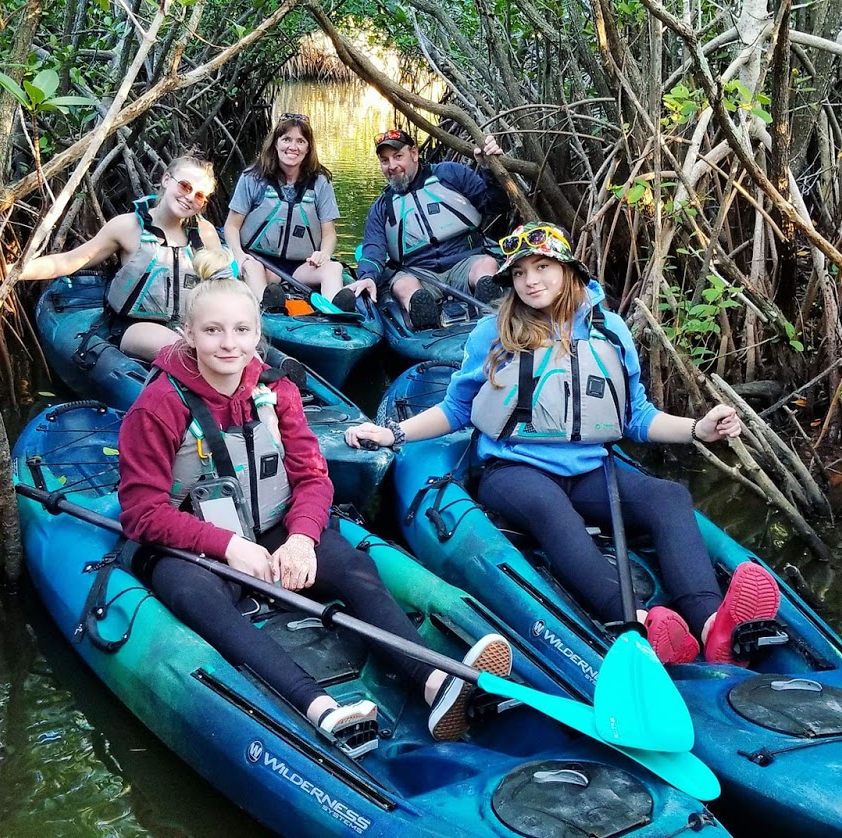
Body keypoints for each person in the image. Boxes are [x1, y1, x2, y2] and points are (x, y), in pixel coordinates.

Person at [345, 223, 781, 666]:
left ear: (568, 270)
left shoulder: (610, 331)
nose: (529, 281)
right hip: (513, 471)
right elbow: (456, 409)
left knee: (669, 496)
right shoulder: (492, 333)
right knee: (550, 508)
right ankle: (638, 622)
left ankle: (711, 624)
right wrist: (393, 434)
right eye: (519, 273)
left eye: (542, 267)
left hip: (589, 471)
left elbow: (636, 418)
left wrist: (698, 429)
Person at [119, 277, 513, 755]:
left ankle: (432, 679)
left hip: (275, 528)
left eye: (241, 330)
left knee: (351, 565)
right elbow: (141, 514)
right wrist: (230, 546)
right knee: (195, 595)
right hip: (196, 545)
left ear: (257, 332)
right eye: (213, 330)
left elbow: (312, 478)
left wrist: (302, 538)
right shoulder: (158, 405)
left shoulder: (277, 388)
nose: (228, 344)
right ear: (189, 333)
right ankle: (318, 706)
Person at [19, 155, 224, 361]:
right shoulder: (127, 226)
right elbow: (67, 262)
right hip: (133, 327)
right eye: (185, 186)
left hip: (187, 328)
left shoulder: (205, 233)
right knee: (187, 352)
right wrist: (12, 271)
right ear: (166, 179)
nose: (190, 197)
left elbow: (224, 287)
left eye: (199, 196)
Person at [345, 129, 507, 331]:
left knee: (487, 265)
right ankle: (427, 328)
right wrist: (368, 277)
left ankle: (492, 325)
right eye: (385, 161)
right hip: (417, 272)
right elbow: (372, 250)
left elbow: (496, 204)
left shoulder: (450, 174)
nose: (392, 166)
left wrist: (489, 169)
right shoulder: (381, 207)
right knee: (403, 286)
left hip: (466, 260)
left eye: (398, 156)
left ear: (414, 153)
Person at [224, 113, 352, 313]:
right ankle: (270, 311)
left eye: (300, 141)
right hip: (262, 264)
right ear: (275, 143)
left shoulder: (320, 182)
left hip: (303, 267)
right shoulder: (252, 178)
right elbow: (232, 226)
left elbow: (329, 234)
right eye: (286, 139)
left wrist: (324, 254)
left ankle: (334, 316)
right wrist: (239, 256)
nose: (293, 147)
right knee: (250, 267)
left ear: (308, 148)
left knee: (334, 268)